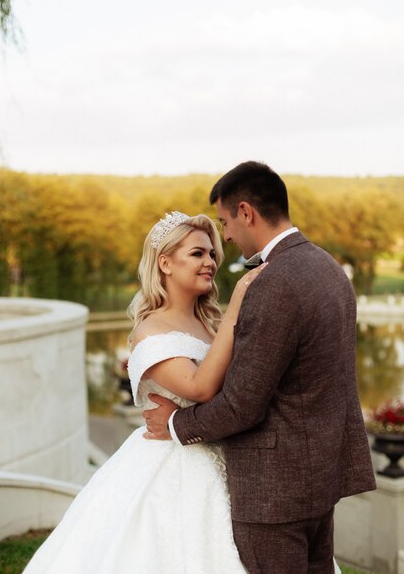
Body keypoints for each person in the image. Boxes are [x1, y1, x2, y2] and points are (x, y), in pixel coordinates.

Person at [144, 162, 376, 574]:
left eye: (225, 223)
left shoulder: (272, 282)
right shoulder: (328, 269)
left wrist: (176, 424)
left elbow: (242, 404)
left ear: (247, 212)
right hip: (320, 479)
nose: (226, 238)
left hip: (274, 491)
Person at [22, 212, 264, 574]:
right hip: (172, 467)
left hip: (221, 457)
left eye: (212, 254)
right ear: (165, 262)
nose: (211, 262)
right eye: (197, 253)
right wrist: (237, 307)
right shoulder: (151, 331)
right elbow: (200, 387)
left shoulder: (207, 322)